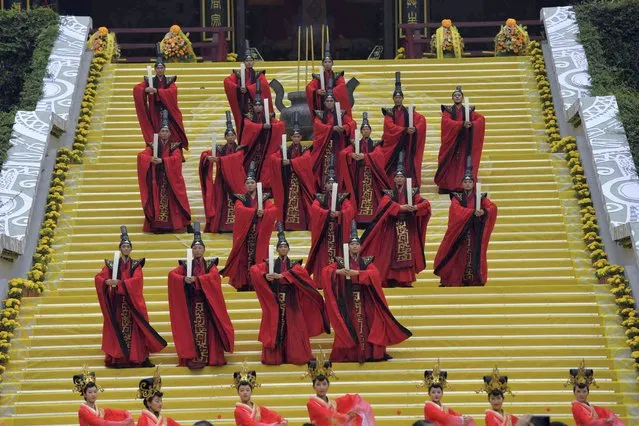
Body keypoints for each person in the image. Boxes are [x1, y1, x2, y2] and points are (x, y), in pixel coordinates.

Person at [321, 225, 412, 362]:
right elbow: (326, 272)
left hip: (365, 298)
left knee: (370, 324)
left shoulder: (366, 261)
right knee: (350, 325)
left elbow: (374, 274)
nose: (355, 247)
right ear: (348, 247)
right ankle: (351, 354)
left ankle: (371, 353)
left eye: (357, 244)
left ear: (360, 246)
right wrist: (337, 272)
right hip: (348, 299)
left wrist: (358, 273)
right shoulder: (340, 262)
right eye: (352, 244)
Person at [250, 224, 330, 365]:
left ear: (288, 249)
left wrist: (282, 275)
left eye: (285, 247)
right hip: (275, 300)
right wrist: (265, 275)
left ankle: (295, 355)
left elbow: (301, 275)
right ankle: (275, 357)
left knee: (294, 327)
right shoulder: (269, 264)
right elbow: (254, 270)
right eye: (280, 247)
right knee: (275, 327)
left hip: (291, 301)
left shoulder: (294, 264)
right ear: (277, 249)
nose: (283, 249)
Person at [94, 226, 166, 368]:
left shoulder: (136, 265)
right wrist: (105, 281)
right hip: (118, 303)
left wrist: (120, 283)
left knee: (137, 329)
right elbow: (99, 277)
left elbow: (137, 281)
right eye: (124, 246)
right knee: (117, 329)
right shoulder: (112, 264)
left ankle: (138, 357)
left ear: (131, 249)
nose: (126, 249)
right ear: (120, 249)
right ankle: (118, 358)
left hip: (132, 302)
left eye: (128, 246)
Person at [168, 223, 235, 368]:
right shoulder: (185, 266)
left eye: (200, 248)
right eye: (195, 248)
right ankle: (193, 356)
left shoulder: (210, 265)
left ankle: (211, 356)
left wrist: (197, 280)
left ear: (204, 250)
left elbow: (214, 277)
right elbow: (172, 275)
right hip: (192, 304)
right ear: (191, 250)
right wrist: (182, 279)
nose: (197, 250)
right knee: (193, 330)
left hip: (207, 304)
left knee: (209, 331)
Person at [360, 153, 431, 287]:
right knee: (390, 253)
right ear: (394, 179)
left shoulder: (412, 193)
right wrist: (400, 207)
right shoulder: (390, 193)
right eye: (397, 177)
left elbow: (425, 204)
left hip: (407, 226)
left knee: (406, 252)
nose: (399, 179)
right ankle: (391, 277)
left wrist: (415, 207)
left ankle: (405, 279)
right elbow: (385, 205)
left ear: (405, 179)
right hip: (393, 228)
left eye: (401, 177)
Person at [221, 163, 277, 291]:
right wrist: (254, 212)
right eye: (248, 183)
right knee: (244, 257)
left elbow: (273, 209)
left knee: (259, 256)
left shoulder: (264, 198)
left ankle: (257, 282)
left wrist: (265, 213)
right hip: (245, 235)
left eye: (252, 182)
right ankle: (245, 283)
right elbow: (239, 210)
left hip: (259, 233)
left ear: (256, 184)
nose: (250, 185)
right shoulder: (241, 199)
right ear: (245, 186)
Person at [434, 174, 497, 287]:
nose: (468, 184)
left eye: (470, 182)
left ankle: (473, 279)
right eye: (465, 182)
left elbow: (492, 207)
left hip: (474, 232)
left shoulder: (481, 197)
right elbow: (455, 210)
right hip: (460, 232)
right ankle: (453, 279)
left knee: (473, 254)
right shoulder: (457, 197)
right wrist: (472, 213)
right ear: (462, 184)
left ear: (473, 184)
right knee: (457, 255)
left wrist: (484, 211)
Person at [137, 110, 192, 234]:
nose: (164, 133)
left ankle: (185, 223)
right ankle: (160, 225)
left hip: (171, 179)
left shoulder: (174, 146)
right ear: (159, 133)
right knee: (158, 201)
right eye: (162, 131)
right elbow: (142, 156)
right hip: (158, 179)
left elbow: (177, 159)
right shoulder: (152, 146)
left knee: (179, 199)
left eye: (166, 131)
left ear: (170, 133)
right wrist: (150, 159)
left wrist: (162, 161)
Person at [305, 162, 355, 288]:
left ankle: (337, 282)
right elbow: (315, 209)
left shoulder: (342, 198)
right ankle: (322, 281)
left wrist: (339, 214)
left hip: (338, 233)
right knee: (323, 257)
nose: (331, 185)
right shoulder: (320, 198)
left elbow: (349, 210)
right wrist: (327, 213)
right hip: (324, 234)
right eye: (329, 183)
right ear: (325, 185)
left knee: (337, 255)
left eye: (333, 183)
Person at [199, 112, 247, 233]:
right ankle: (222, 225)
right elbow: (208, 153)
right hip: (222, 179)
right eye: (228, 135)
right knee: (221, 201)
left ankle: (237, 224)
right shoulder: (220, 149)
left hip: (237, 179)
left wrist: (219, 160)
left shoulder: (239, 148)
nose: (230, 137)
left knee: (237, 201)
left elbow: (236, 159)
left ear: (235, 137)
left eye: (232, 135)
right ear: (225, 137)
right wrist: (207, 158)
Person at [268, 113, 315, 231]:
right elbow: (273, 158)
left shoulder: (304, 149)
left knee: (302, 202)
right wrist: (280, 161)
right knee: (287, 200)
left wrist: (291, 162)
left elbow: (306, 159)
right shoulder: (286, 149)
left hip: (300, 180)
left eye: (298, 137)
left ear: (301, 138)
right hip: (288, 179)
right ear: (291, 138)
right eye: (294, 137)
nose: (296, 139)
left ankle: (303, 224)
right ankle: (288, 224)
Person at [338, 112, 386, 227]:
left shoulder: (374, 144)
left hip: (371, 173)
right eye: (363, 130)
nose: (365, 131)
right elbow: (343, 153)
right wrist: (351, 156)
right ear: (361, 132)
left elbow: (379, 155)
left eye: (367, 129)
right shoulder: (356, 144)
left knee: (371, 196)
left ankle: (372, 218)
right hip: (359, 175)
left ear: (370, 131)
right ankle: (360, 219)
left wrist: (365, 156)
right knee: (359, 195)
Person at [435, 86, 486, 194]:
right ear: (452, 98)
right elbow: (446, 122)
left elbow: (480, 119)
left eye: (459, 95)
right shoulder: (448, 111)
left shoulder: (469, 110)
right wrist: (461, 124)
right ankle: (447, 186)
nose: (457, 97)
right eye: (455, 95)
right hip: (452, 142)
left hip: (464, 142)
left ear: (462, 98)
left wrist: (472, 124)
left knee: (463, 163)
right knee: (449, 163)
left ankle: (461, 186)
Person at [379, 72, 427, 187]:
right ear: (393, 99)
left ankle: (408, 185)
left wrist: (415, 129)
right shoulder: (390, 113)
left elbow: (421, 120)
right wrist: (405, 130)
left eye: (400, 97)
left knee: (407, 162)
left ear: (403, 98)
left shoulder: (409, 112)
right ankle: (391, 184)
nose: (398, 99)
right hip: (394, 143)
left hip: (407, 142)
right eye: (396, 97)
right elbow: (389, 126)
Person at [133, 53, 189, 150]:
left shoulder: (169, 80)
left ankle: (173, 152)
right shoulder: (149, 80)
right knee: (156, 130)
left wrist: (157, 91)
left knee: (173, 133)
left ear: (164, 69)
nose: (160, 70)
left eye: (161, 68)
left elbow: (173, 91)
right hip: (155, 111)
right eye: (158, 68)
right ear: (155, 69)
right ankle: (157, 151)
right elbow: (137, 88)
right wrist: (145, 90)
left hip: (168, 111)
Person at [305, 350, 376, 425]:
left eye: (324, 384)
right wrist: (346, 417)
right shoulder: (311, 403)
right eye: (318, 384)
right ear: (313, 387)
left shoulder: (332, 403)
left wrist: (352, 409)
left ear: (328, 385)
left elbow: (345, 403)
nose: (321, 387)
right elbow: (326, 414)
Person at [239, 80, 285, 188]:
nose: (258, 107)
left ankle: (265, 186)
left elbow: (280, 125)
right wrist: (261, 127)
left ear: (263, 106)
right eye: (256, 105)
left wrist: (272, 126)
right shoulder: (249, 118)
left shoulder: (269, 117)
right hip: (254, 148)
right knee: (252, 168)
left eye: (260, 105)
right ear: (253, 107)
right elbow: (249, 127)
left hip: (266, 146)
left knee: (265, 168)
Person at [224, 40, 273, 137]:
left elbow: (263, 85)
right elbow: (227, 82)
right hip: (243, 104)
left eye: (251, 61)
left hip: (256, 104)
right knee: (243, 127)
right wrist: (238, 88)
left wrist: (248, 89)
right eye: (247, 61)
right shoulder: (237, 74)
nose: (249, 63)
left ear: (253, 62)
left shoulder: (259, 74)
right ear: (243, 62)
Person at [310, 89, 356, 190]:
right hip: (325, 146)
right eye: (327, 101)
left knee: (338, 166)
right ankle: (324, 190)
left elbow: (352, 123)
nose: (329, 103)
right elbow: (318, 127)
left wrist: (344, 128)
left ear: (335, 102)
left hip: (338, 145)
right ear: (324, 102)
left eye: (331, 101)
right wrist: (332, 128)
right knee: (324, 168)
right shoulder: (320, 115)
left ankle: (338, 190)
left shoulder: (341, 114)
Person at [568, 360, 626, 426]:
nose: (581, 394)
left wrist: (610, 416)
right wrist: (605, 421)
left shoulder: (590, 406)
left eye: (584, 391)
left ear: (588, 392)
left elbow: (603, 411)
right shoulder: (576, 406)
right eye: (578, 391)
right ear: (574, 393)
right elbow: (587, 422)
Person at [422, 361, 476, 425]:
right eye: (433, 392)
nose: (436, 394)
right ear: (429, 393)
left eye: (438, 392)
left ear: (442, 393)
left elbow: (455, 415)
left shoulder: (444, 408)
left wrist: (465, 418)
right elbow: (443, 418)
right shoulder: (428, 407)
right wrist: (461, 419)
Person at [306, 42, 351, 117]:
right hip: (322, 106)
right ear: (322, 64)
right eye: (325, 62)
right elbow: (309, 87)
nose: (327, 64)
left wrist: (330, 92)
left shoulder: (338, 76)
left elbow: (342, 86)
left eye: (329, 62)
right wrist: (317, 91)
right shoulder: (318, 78)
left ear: (332, 63)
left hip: (335, 105)